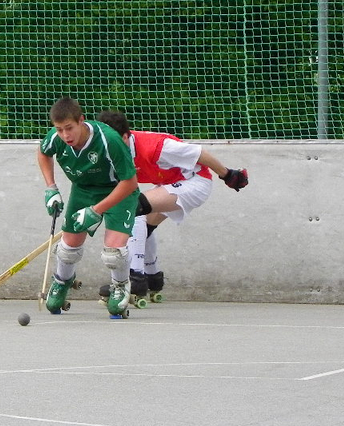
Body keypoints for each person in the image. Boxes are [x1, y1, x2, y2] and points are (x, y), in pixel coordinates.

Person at [96, 110, 248, 302]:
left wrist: (227, 174)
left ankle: (135, 278)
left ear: (125, 137)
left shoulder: (155, 146)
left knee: (133, 209)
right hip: (168, 184)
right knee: (143, 227)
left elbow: (199, 153)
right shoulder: (113, 153)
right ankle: (153, 277)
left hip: (195, 182)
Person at [37, 97, 140, 317]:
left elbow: (130, 182)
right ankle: (62, 281)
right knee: (67, 248)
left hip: (118, 190)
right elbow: (43, 153)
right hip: (83, 189)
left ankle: (121, 286)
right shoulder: (56, 137)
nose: (65, 135)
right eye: (59, 129)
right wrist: (51, 188)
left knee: (113, 252)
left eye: (69, 128)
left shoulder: (109, 140)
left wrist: (96, 210)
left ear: (81, 121)